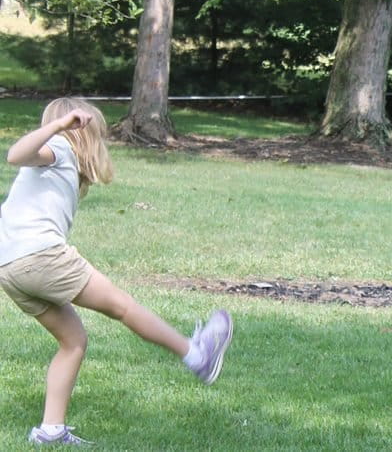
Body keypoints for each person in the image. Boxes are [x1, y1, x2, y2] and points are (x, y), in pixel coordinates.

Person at [0, 98, 234, 445]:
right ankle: (195, 354)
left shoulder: (59, 163)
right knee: (122, 306)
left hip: (9, 267)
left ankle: (51, 431)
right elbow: (14, 154)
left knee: (73, 340)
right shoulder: (57, 147)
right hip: (42, 256)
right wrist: (59, 128)